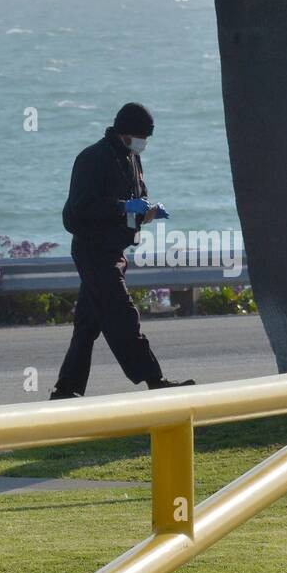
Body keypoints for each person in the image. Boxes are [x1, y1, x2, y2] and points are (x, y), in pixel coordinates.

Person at [50, 103, 193, 399]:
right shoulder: (92, 158)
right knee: (123, 316)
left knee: (88, 325)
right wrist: (123, 207)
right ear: (126, 133)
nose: (145, 143)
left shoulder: (130, 157)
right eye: (142, 137)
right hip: (94, 251)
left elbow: (137, 197)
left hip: (114, 249)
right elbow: (82, 207)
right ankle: (155, 381)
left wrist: (147, 211)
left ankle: (65, 391)